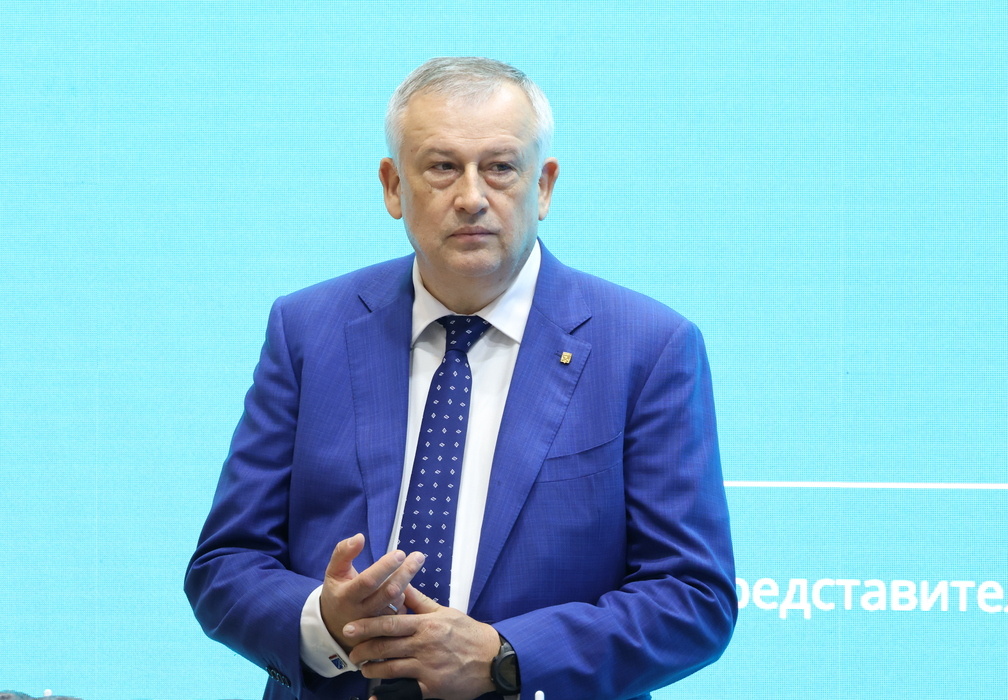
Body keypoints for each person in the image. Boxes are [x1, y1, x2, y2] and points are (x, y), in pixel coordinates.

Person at [185, 57, 736, 700]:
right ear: (394, 187)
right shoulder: (308, 329)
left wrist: (506, 657)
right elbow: (226, 566)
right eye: (443, 166)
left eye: (500, 167)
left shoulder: (647, 347)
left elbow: (692, 598)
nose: (472, 196)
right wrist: (324, 623)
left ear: (543, 186)